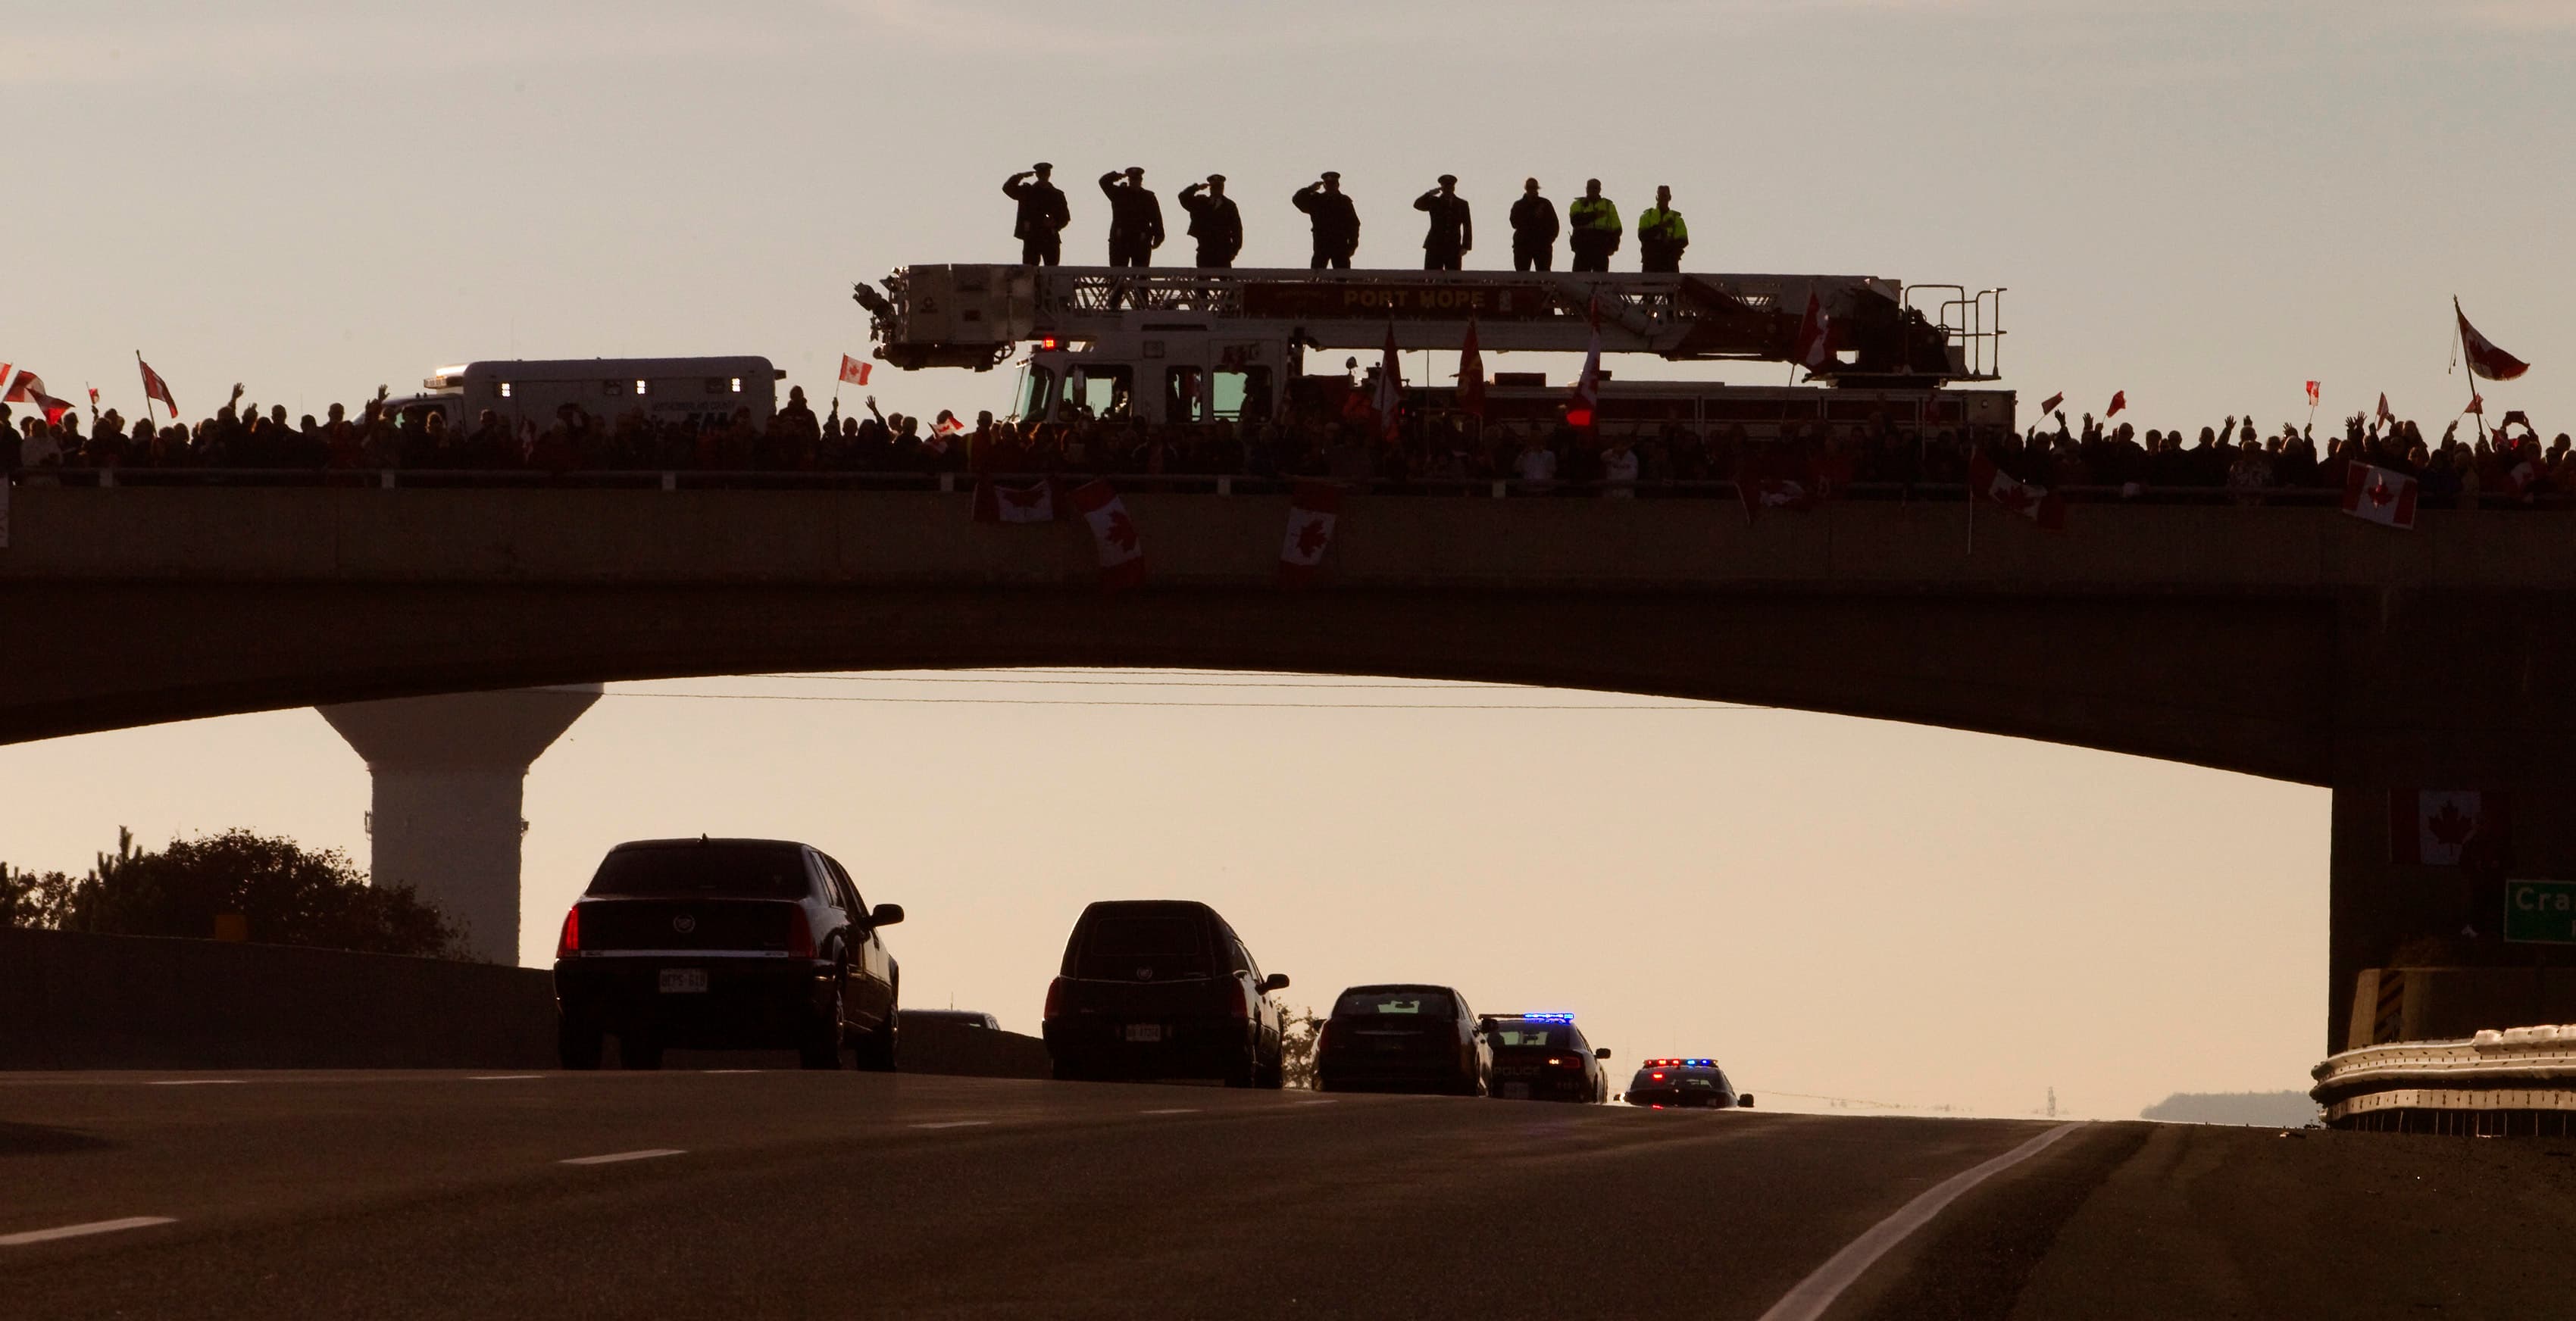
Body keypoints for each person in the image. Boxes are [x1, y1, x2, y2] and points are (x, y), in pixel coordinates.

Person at [1002, 163, 1071, 266]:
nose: (1043, 176)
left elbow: (1065, 217)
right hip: (1032, 237)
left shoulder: (1057, 195)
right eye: (1041, 173)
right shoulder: (1027, 192)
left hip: (1050, 238)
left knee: (1052, 274)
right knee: (1029, 273)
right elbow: (1008, 188)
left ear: (1048, 174)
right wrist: (1020, 176)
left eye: (1045, 173)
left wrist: (1055, 224)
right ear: (1038, 175)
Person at [1293, 172, 1361, 270]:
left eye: (1333, 184)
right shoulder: (1317, 200)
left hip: (1340, 244)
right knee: (1316, 276)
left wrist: (1353, 244)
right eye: (1328, 184)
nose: (1331, 187)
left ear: (1338, 185)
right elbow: (1297, 200)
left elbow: (1354, 224)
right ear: (1324, 186)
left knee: (1342, 277)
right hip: (1322, 244)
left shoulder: (1344, 201)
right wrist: (1310, 189)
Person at [1098, 167, 1164, 267]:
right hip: (1120, 242)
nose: (1135, 182)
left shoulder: (1148, 197)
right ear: (1129, 180)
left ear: (1141, 180)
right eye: (1132, 180)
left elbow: (1156, 219)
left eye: (1137, 180)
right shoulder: (1119, 193)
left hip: (1141, 242)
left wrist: (1159, 236)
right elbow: (1103, 182)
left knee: (1140, 279)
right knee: (1117, 277)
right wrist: (1119, 176)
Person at [1177, 174, 1243, 269]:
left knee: (1226, 281)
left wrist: (1234, 251)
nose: (1217, 189)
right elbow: (1183, 197)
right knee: (1203, 281)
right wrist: (1196, 188)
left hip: (1223, 251)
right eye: (1214, 187)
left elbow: (1237, 229)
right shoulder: (1201, 202)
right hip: (1205, 249)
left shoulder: (1229, 206)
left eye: (1219, 187)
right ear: (1210, 188)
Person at [1413, 174, 1472, 271]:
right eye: (1445, 187)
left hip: (1453, 247)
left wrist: (1466, 246)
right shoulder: (1434, 202)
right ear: (1442, 188)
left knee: (1454, 278)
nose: (1448, 190)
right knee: (1431, 276)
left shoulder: (1462, 204)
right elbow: (1417, 205)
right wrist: (1430, 194)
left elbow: (1467, 225)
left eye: (1450, 187)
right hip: (1434, 245)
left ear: (1453, 188)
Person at [1567, 180, 1621, 273]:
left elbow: (1617, 229)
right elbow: (1575, 221)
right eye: (1590, 187)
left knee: (1601, 282)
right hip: (1582, 248)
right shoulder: (1578, 204)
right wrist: (1595, 215)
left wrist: (1613, 247)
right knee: (1579, 280)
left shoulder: (1609, 206)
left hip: (1601, 248)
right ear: (1586, 189)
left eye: (1595, 187)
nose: (1592, 190)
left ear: (1600, 189)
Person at [1508, 178, 1558, 272]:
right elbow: (1514, 223)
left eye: (1533, 187)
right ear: (1526, 189)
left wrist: (1549, 240)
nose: (1531, 190)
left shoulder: (1545, 204)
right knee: (1522, 276)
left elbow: (1554, 224)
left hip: (1542, 246)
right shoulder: (1519, 205)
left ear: (1537, 189)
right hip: (1523, 245)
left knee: (1544, 275)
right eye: (1529, 187)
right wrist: (1532, 216)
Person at [1636, 186, 1687, 273]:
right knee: (1649, 286)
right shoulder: (1647, 215)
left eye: (1665, 195)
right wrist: (1660, 228)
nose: (1662, 198)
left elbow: (1683, 241)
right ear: (1657, 197)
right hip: (1651, 262)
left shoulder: (1677, 219)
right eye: (1660, 195)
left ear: (1670, 198)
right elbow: (1642, 236)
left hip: (1670, 263)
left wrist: (1668, 244)